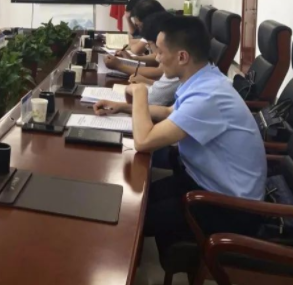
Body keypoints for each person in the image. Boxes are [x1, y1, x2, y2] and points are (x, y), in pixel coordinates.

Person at [94, 16, 266, 242]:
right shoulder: (205, 79)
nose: (157, 58)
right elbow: (170, 112)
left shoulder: (209, 96)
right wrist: (123, 107)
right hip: (203, 181)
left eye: (160, 52)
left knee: (128, 219)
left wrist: (140, 93)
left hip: (231, 208)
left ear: (182, 57)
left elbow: (143, 141)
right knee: (129, 201)